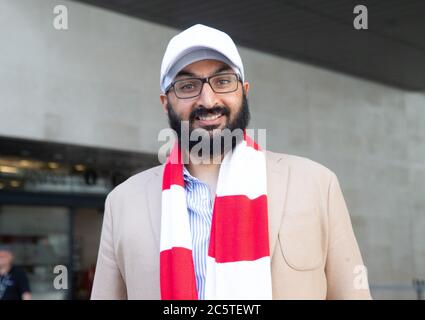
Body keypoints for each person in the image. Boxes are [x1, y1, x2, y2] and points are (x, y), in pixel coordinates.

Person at [91, 24, 372, 300]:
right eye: (187, 86)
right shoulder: (123, 202)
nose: (208, 100)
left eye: (223, 81)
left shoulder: (316, 185)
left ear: (244, 90)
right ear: (166, 103)